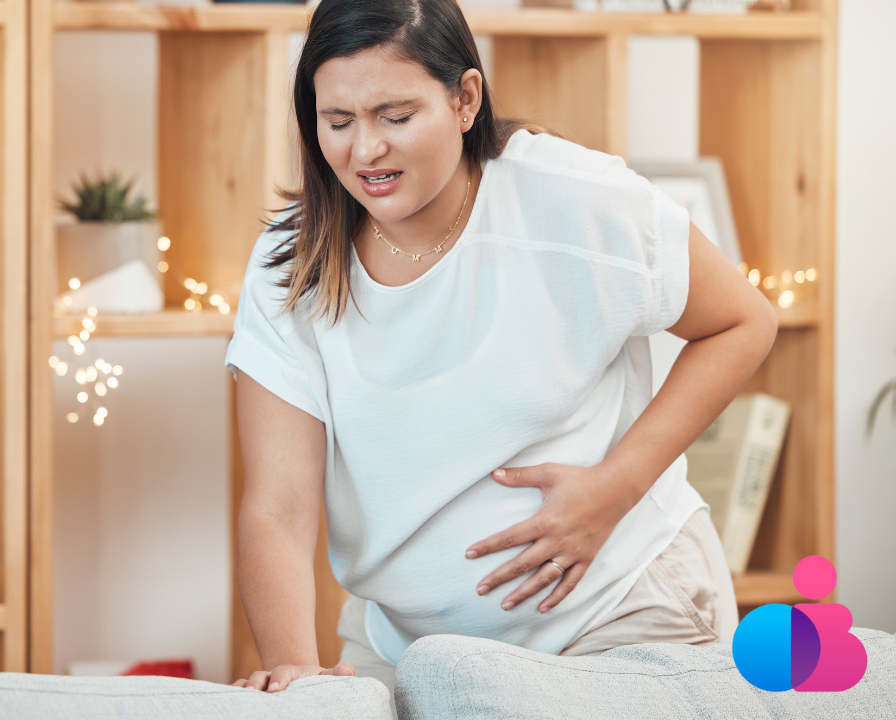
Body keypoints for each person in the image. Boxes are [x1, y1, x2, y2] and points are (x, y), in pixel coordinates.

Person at [222, 0, 778, 706]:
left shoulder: (568, 199)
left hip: (616, 607)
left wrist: (617, 486)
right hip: (404, 641)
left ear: (464, 98)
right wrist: (297, 671)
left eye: (396, 116)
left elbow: (743, 321)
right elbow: (278, 505)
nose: (365, 151)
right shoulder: (290, 263)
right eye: (338, 122)